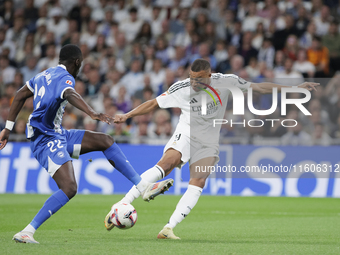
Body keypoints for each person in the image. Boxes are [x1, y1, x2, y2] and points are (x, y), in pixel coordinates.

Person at [105, 58, 319, 239]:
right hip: (187, 132)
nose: (194, 82)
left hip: (208, 140)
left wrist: (293, 88)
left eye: (199, 78)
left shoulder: (226, 81)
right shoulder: (181, 88)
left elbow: (259, 87)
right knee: (166, 164)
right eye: (191, 77)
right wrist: (128, 115)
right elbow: (153, 103)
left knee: (198, 182)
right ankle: (121, 204)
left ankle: (169, 228)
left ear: (210, 75)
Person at [0, 44, 173, 244]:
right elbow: (69, 94)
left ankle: (143, 187)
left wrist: (7, 128)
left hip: (58, 134)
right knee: (69, 188)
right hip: (44, 139)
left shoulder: (43, 75)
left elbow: (20, 94)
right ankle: (27, 231)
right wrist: (92, 112)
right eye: (81, 63)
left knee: (105, 141)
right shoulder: (66, 78)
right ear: (77, 62)